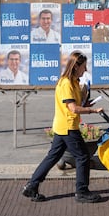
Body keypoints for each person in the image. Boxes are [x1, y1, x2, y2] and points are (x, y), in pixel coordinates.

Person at [22, 51, 103, 203]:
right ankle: (82, 192)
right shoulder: (66, 83)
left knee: (53, 156)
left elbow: (74, 104)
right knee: (83, 157)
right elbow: (72, 108)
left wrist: (85, 104)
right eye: (84, 67)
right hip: (67, 126)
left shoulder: (73, 82)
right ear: (76, 66)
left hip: (62, 125)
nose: (85, 70)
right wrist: (92, 110)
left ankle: (31, 186)